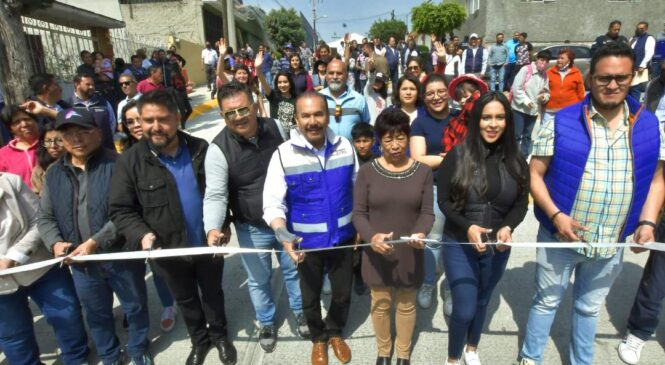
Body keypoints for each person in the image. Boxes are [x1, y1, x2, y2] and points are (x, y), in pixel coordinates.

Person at [519, 42, 665, 365]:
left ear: (632, 77)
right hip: (560, 237)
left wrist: (647, 222)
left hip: (610, 241)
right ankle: (530, 358)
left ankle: (580, 361)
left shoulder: (650, 125)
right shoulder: (559, 121)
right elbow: (534, 175)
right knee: (546, 302)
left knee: (588, 307)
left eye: (621, 78)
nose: (612, 85)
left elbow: (657, 179)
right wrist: (556, 216)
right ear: (590, 79)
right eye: (604, 78)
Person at [109, 90, 237, 365]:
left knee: (213, 294)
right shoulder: (129, 162)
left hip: (207, 243)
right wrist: (142, 235)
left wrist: (223, 225)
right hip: (167, 251)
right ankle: (199, 341)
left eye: (163, 119)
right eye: (148, 120)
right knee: (186, 298)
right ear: (140, 122)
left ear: (177, 118)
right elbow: (121, 210)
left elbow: (220, 193)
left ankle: (219, 336)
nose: (156, 127)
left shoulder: (202, 149)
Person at [38, 107, 152, 365]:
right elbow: (44, 217)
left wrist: (95, 241)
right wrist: (55, 243)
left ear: (98, 133)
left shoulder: (118, 164)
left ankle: (137, 348)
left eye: (83, 132)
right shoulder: (54, 173)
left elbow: (129, 210)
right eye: (68, 134)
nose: (76, 139)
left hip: (121, 255)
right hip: (81, 264)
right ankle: (109, 354)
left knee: (134, 306)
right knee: (96, 313)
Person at [204, 82, 308, 353]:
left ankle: (301, 311)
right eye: (230, 113)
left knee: (294, 269)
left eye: (243, 109)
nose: (238, 116)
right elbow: (215, 195)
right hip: (252, 228)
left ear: (254, 105)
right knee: (258, 279)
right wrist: (213, 227)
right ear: (222, 116)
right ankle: (266, 322)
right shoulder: (217, 150)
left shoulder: (277, 128)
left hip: (287, 221)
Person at [263, 92, 358, 365]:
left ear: (328, 116)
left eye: (318, 114)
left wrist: (362, 226)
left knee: (342, 292)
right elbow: (272, 204)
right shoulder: (283, 155)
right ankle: (318, 338)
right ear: (296, 118)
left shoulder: (345, 146)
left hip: (343, 238)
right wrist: (283, 237)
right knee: (310, 295)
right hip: (306, 243)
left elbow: (358, 187)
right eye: (306, 115)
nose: (313, 121)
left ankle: (336, 331)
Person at [438, 92, 529, 365]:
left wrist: (508, 227)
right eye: (486, 117)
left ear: (508, 121)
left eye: (500, 117)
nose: (493, 124)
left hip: (496, 246)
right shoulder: (456, 155)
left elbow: (521, 205)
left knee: (482, 302)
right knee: (464, 308)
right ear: (476, 120)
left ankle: (471, 348)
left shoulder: (517, 161)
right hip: (459, 242)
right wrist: (467, 227)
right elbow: (443, 201)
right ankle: (453, 357)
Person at [353, 108, 433, 365]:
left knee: (407, 304)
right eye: (388, 139)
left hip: (410, 251)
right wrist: (371, 237)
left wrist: (421, 232)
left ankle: (403, 352)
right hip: (377, 252)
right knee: (381, 302)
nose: (396, 145)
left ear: (409, 138)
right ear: (379, 140)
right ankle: (384, 350)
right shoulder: (367, 172)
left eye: (400, 138)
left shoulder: (422, 171)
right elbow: (359, 214)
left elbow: (427, 213)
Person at [0, 172, 89, 365]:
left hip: (39, 265)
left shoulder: (8, 182)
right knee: (13, 334)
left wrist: (13, 256)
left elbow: (39, 220)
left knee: (67, 315)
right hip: (2, 286)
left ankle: (77, 358)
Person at [616, 60, 665, 365]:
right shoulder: (657, 90)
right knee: (658, 277)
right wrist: (648, 219)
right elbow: (661, 171)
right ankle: (639, 330)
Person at [409, 74, 454, 311]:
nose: (436, 97)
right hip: (434, 188)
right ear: (424, 98)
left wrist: (437, 159)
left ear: (448, 92)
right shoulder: (420, 123)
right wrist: (449, 158)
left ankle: (449, 288)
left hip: (461, 189)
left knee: (455, 241)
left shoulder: (460, 118)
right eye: (430, 93)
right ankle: (427, 283)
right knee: (434, 240)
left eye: (440, 91)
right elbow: (418, 159)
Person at [511, 50, 551, 158]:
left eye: (546, 61)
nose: (543, 63)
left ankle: (524, 156)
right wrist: (526, 101)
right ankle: (513, 156)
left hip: (533, 110)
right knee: (517, 135)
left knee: (528, 135)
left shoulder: (545, 76)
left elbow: (547, 92)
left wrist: (544, 97)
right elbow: (516, 88)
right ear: (537, 59)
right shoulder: (526, 70)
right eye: (542, 60)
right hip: (520, 109)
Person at [320, 59, 371, 141]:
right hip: (324, 152)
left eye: (339, 73)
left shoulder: (359, 99)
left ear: (347, 76)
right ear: (326, 76)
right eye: (331, 73)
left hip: (351, 151)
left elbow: (365, 127)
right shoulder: (317, 99)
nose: (335, 77)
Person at [442, 74, 489, 153]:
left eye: (465, 96)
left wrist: (475, 97)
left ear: (477, 94)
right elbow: (448, 141)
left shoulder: (484, 114)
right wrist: (449, 155)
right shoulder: (456, 121)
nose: (462, 101)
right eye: (459, 98)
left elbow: (472, 109)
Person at [69, 73, 116, 151]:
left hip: (106, 150)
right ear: (77, 85)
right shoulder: (68, 105)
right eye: (88, 84)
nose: (92, 87)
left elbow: (112, 123)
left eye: (93, 85)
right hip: (81, 151)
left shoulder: (103, 102)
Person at [0, 106, 40, 187]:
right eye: (17, 122)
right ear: (10, 128)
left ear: (35, 121)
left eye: (27, 119)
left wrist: (45, 110)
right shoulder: (3, 154)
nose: (24, 124)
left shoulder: (49, 143)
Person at [543, 48, 585, 123]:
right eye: (558, 58)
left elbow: (581, 92)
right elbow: (543, 89)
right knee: (546, 133)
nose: (559, 60)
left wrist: (580, 107)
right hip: (550, 110)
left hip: (569, 110)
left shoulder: (576, 73)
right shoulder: (549, 72)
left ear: (569, 60)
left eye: (562, 58)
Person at [30, 123, 64, 196]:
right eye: (48, 141)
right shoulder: (39, 170)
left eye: (59, 140)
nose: (53, 146)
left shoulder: (79, 164)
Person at [629, 21, 656, 101]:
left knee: (635, 88)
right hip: (630, 68)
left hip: (640, 68)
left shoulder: (649, 38)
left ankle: (636, 110)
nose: (639, 30)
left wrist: (642, 65)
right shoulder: (632, 39)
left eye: (641, 28)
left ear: (646, 29)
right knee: (629, 88)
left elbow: (649, 53)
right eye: (638, 28)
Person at [170, 60, 193, 127]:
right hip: (178, 94)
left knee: (189, 110)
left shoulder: (178, 73)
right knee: (182, 110)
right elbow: (178, 85)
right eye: (178, 64)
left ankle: (182, 123)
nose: (180, 64)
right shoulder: (174, 74)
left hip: (182, 92)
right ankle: (182, 125)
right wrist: (186, 86)